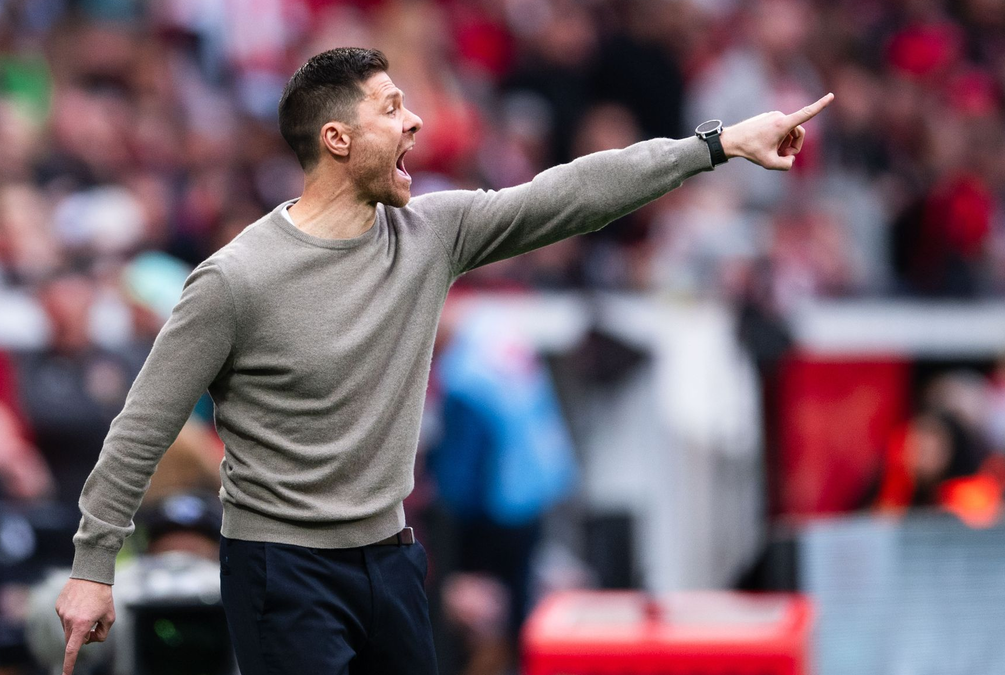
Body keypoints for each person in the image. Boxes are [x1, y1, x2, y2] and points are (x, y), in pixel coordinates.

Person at [56, 46, 832, 675]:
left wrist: (716, 145)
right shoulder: (235, 279)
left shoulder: (430, 233)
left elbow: (572, 193)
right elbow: (142, 426)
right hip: (281, 571)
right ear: (338, 139)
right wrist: (93, 566)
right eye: (392, 107)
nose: (417, 120)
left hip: (393, 561)